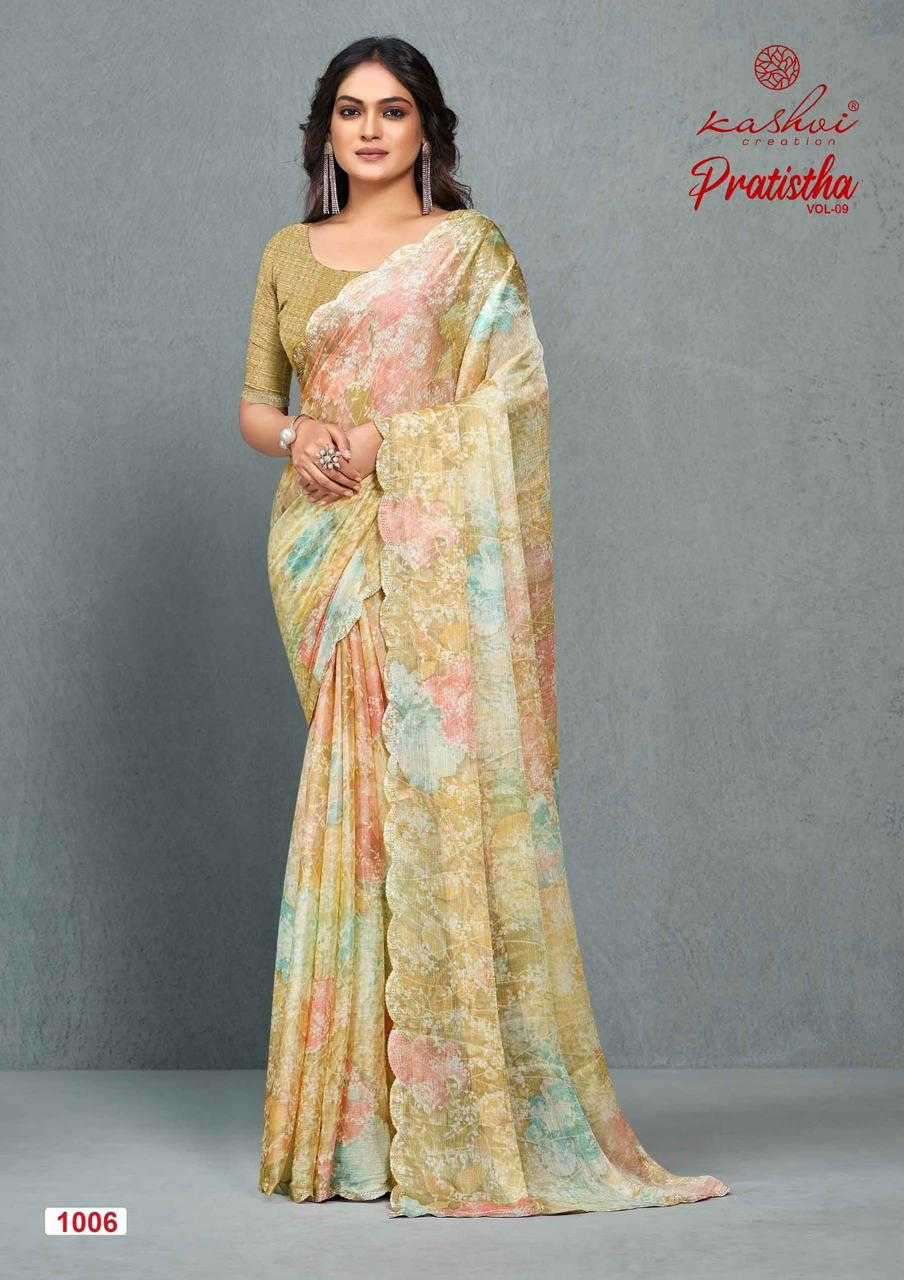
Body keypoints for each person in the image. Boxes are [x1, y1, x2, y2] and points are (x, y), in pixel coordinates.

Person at [239, 35, 732, 1219]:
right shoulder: (287, 255)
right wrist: (305, 439)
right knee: (354, 801)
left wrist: (383, 443)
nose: (369, 129)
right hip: (325, 548)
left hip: (429, 546)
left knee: (435, 794)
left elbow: (511, 396)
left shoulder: (469, 251)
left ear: (428, 129)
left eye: (391, 110)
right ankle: (346, 1128)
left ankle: (449, 1108)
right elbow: (257, 407)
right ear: (324, 131)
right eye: (349, 110)